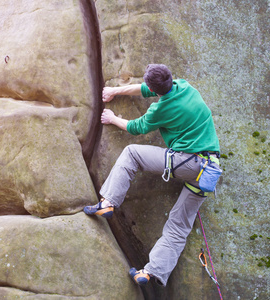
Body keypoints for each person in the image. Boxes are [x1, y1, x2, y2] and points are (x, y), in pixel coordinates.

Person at [83, 64, 221, 287]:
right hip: (209, 172)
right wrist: (115, 91)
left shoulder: (161, 109)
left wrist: (112, 118)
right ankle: (149, 273)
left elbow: (136, 127)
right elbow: (145, 89)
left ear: (155, 89)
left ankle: (107, 202)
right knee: (179, 226)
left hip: (187, 162)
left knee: (132, 154)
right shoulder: (185, 86)